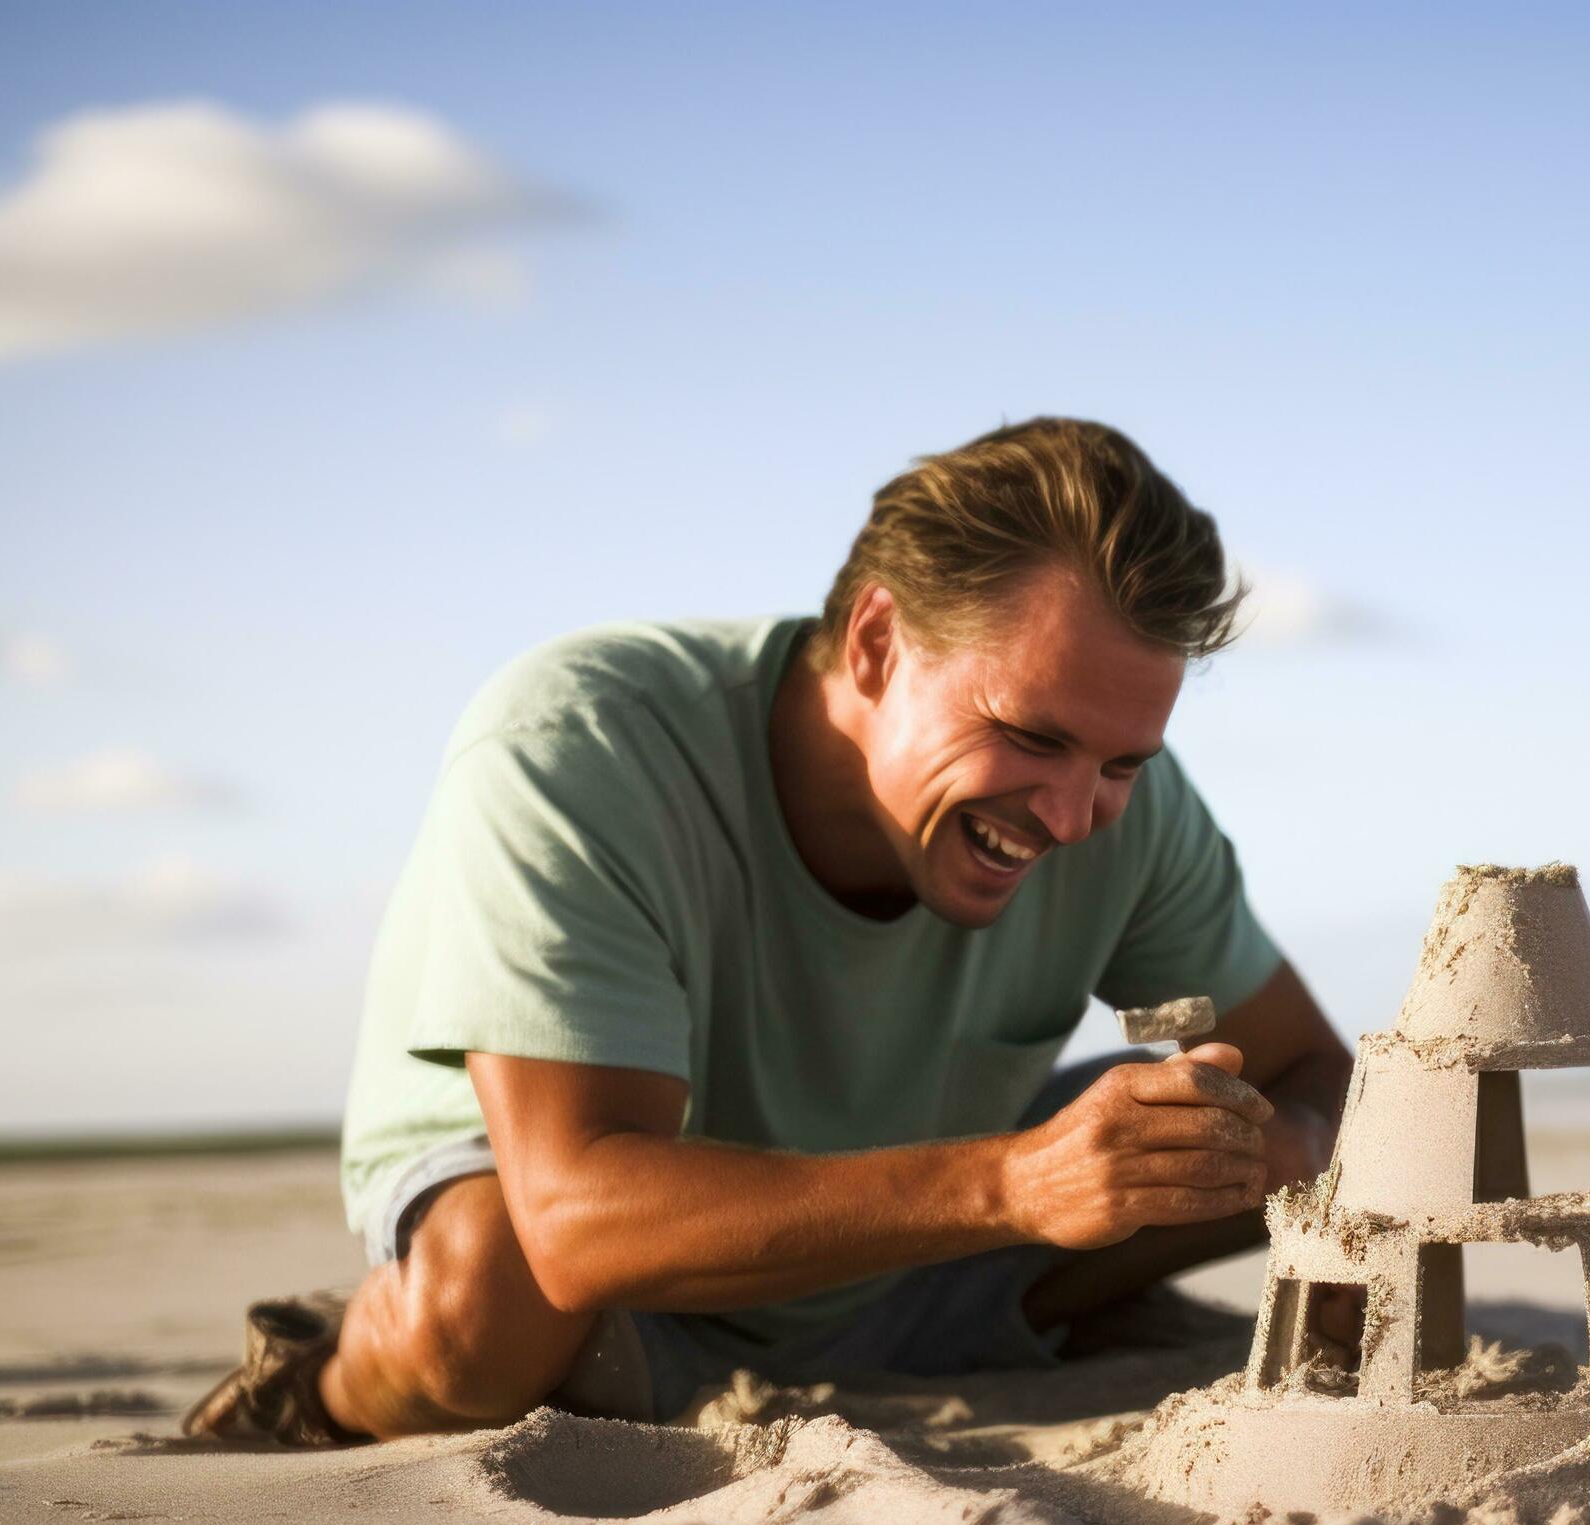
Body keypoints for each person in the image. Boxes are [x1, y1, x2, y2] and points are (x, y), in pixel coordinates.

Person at [188, 418, 1353, 1445]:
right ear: (879, 645)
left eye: (1122, 763)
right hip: (602, 1296)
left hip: (924, 1262)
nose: (1071, 815)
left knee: (1215, 1123)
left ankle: (983, 1325)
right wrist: (1012, 1184)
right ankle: (319, 1386)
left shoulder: (1123, 814)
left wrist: (1287, 1148)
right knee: (488, 1291)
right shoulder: (582, 743)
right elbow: (575, 1227)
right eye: (1032, 737)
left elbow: (1327, 1078)